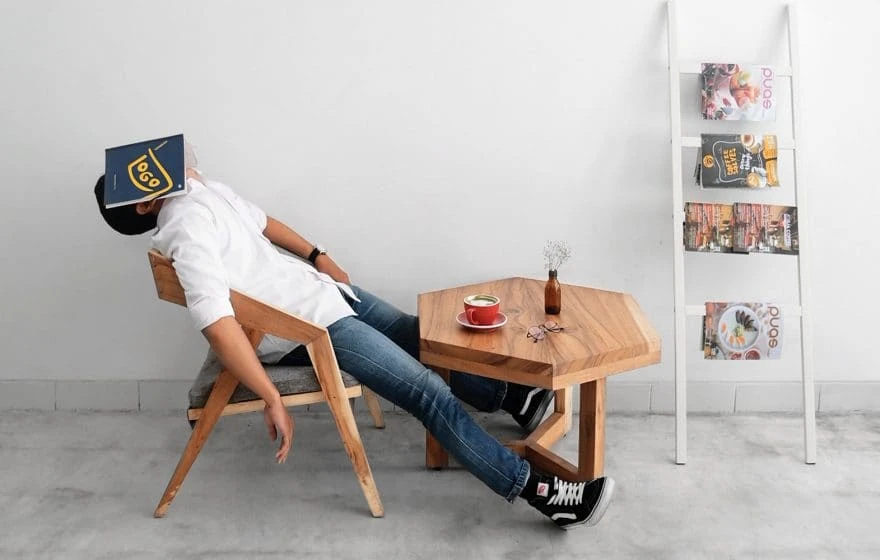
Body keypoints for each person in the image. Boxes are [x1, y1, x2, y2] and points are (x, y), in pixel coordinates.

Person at [93, 167, 615, 529]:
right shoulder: (183, 229)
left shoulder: (195, 191)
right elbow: (215, 320)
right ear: (144, 200)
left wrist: (320, 256)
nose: (161, 161)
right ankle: (540, 493)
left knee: (420, 332)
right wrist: (269, 397)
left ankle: (510, 398)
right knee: (428, 393)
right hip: (310, 328)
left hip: (321, 294)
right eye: (144, 169)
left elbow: (262, 222)